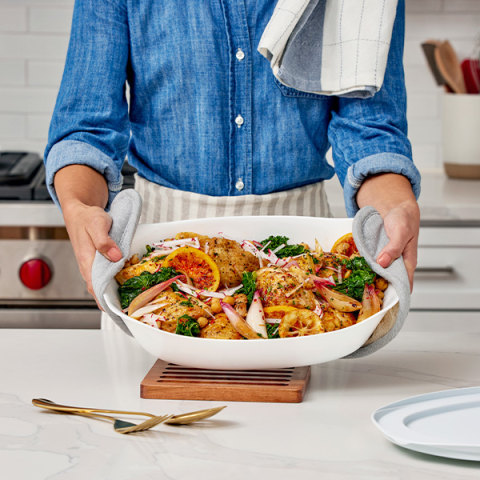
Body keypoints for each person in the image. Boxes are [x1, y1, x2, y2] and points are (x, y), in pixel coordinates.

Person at [45, 0, 420, 307]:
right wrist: (79, 206)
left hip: (305, 266)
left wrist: (394, 206)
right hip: (158, 266)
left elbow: (370, 130)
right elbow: (87, 129)